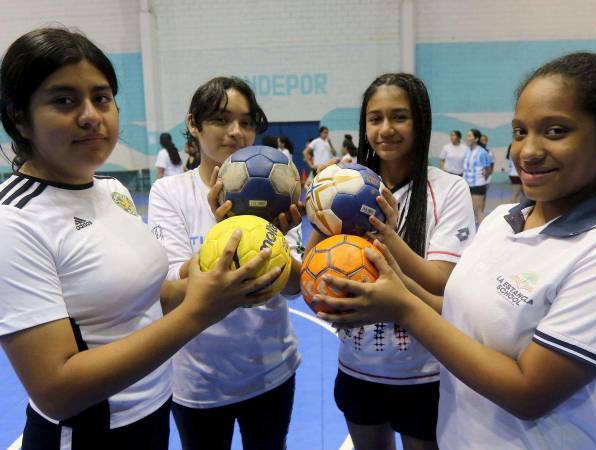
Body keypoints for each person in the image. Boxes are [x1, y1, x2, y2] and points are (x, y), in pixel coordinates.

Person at [0, 28, 280, 450]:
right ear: (19, 117)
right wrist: (199, 313)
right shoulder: (14, 219)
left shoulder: (112, 190)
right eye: (64, 100)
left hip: (152, 414)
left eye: (102, 97)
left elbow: (148, 298)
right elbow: (55, 390)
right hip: (90, 433)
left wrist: (220, 278)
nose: (91, 114)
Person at [315, 52, 596, 450]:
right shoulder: (502, 221)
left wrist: (399, 296)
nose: (528, 150)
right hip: (398, 390)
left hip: (423, 378)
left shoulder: (447, 190)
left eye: (555, 131)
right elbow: (449, 303)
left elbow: (529, 392)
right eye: (519, 132)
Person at [306, 73, 475, 450]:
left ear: (420, 121)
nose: (386, 129)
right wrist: (320, 204)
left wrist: (387, 234)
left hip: (424, 374)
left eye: (399, 117)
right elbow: (313, 268)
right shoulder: (345, 187)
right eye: (375, 118)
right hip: (357, 368)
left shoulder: (448, 190)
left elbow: (440, 283)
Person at [148, 76, 303, 450]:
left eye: (247, 122)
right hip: (199, 381)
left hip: (271, 370)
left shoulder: (280, 187)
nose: (236, 132)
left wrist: (274, 237)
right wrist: (228, 233)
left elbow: (296, 288)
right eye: (220, 119)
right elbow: (169, 291)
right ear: (193, 124)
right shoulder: (170, 193)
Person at [463, 128, 492, 225]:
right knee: (469, 212)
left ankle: (485, 235)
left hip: (477, 185)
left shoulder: (482, 152)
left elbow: (487, 169)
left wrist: (482, 181)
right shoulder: (467, 151)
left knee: (478, 211)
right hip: (466, 185)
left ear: (476, 139)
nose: (467, 138)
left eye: (469, 136)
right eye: (467, 135)